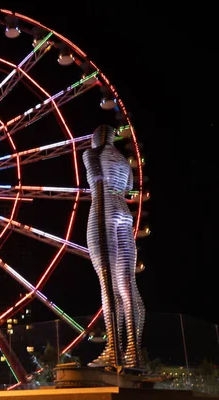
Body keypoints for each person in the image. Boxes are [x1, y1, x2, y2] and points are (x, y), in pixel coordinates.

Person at [83, 125, 145, 369]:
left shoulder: (92, 154)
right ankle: (133, 350)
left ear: (97, 137)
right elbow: (128, 188)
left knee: (107, 282)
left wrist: (100, 221)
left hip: (103, 211)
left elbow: (98, 186)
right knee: (128, 285)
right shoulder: (122, 160)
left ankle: (113, 350)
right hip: (123, 212)